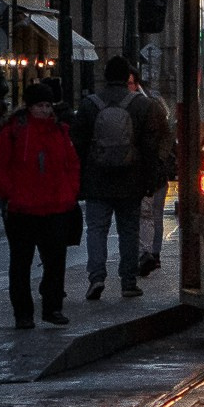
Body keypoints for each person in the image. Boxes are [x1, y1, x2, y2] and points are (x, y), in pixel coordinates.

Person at [0, 81, 81, 329]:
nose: (44, 110)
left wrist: (69, 193)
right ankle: (23, 314)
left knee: (55, 262)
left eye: (48, 105)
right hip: (22, 209)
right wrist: (11, 193)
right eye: (40, 105)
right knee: (20, 264)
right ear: (29, 106)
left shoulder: (59, 131)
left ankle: (52, 307)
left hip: (55, 207)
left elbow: (71, 164)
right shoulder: (15, 131)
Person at [73, 56, 161, 301]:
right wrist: (150, 180)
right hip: (130, 180)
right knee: (129, 231)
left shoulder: (90, 105)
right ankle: (128, 281)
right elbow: (150, 147)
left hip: (97, 180)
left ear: (105, 76)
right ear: (127, 78)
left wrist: (81, 180)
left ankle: (97, 277)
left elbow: (77, 145)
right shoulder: (142, 105)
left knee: (96, 230)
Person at [134, 82, 176, 279]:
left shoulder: (151, 106)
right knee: (147, 215)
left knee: (152, 214)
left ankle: (151, 253)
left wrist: (159, 158)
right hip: (146, 170)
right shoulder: (150, 106)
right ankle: (148, 253)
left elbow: (167, 136)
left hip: (153, 171)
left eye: (131, 83)